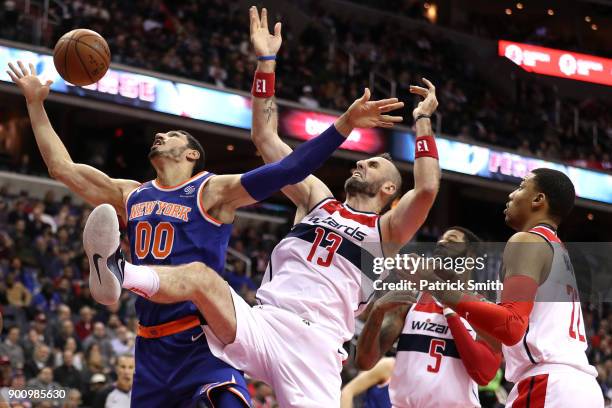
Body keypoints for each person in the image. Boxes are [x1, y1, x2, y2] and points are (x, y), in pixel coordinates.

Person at [7, 7, 401, 405]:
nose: (160, 135)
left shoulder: (213, 191)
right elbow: (62, 168)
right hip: (151, 344)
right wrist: (36, 104)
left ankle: (118, 271)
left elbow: (289, 166)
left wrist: (337, 119)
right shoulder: (132, 194)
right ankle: (113, 273)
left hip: (203, 339)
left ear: (193, 154)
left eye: (172, 134)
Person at [416, 169, 604, 407]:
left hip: (547, 386)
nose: (511, 195)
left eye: (521, 186)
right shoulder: (557, 251)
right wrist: (451, 297)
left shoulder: (527, 241)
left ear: (538, 200)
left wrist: (432, 284)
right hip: (576, 388)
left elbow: (511, 325)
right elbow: (503, 340)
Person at [356, 227, 502, 407]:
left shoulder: (483, 308)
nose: (441, 243)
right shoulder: (411, 298)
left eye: (451, 241)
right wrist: (376, 312)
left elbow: (484, 374)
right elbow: (364, 361)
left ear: (470, 255)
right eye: (440, 240)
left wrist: (451, 313)